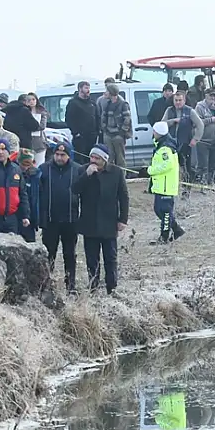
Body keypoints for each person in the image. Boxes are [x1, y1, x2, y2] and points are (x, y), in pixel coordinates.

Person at [71, 145, 128, 295]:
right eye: (92, 157)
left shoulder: (116, 172)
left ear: (104, 160)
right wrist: (86, 176)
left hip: (109, 222)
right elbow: (75, 190)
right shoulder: (83, 170)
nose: (93, 161)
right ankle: (93, 286)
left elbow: (123, 197)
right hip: (89, 222)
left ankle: (112, 287)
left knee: (110, 258)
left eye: (97, 158)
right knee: (92, 258)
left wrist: (123, 219)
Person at [39, 141, 84, 291]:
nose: (59, 157)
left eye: (62, 155)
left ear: (69, 155)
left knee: (69, 254)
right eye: (57, 154)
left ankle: (70, 286)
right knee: (48, 254)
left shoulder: (77, 170)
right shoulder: (44, 169)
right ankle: (46, 285)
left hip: (70, 220)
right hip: (50, 220)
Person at [147, 122, 184, 244]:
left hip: (166, 186)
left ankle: (164, 237)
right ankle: (177, 230)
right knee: (160, 210)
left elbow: (168, 164)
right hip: (161, 185)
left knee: (165, 213)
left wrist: (151, 170)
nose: (153, 133)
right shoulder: (162, 145)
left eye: (154, 131)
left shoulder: (165, 148)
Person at [161, 92, 203, 188]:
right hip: (171, 144)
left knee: (187, 169)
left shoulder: (190, 111)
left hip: (185, 144)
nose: (178, 102)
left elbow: (200, 125)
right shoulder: (169, 110)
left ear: (184, 101)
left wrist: (195, 139)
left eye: (180, 100)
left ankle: (186, 191)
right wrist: (173, 121)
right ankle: (172, 187)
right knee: (171, 167)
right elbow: (162, 124)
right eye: (176, 100)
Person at [194, 89, 215, 184]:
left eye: (214, 96)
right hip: (203, 141)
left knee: (213, 164)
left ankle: (210, 183)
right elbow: (196, 123)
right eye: (211, 95)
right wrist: (210, 120)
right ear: (206, 95)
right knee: (203, 165)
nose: (213, 97)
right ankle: (202, 184)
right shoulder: (199, 107)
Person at [65, 81, 99, 163]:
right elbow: (69, 119)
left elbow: (98, 116)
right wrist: (76, 132)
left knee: (91, 159)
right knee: (80, 160)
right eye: (86, 88)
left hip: (92, 136)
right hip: (80, 138)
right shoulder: (73, 103)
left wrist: (98, 131)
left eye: (89, 88)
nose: (88, 90)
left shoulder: (92, 102)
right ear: (80, 89)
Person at [99, 85, 131, 169]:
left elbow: (127, 119)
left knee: (120, 159)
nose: (105, 93)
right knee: (109, 159)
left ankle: (121, 179)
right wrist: (105, 129)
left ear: (111, 93)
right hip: (108, 134)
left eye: (107, 91)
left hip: (118, 135)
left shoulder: (123, 104)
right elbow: (103, 118)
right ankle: (110, 178)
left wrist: (122, 132)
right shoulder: (107, 104)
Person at [17, 149, 41, 243]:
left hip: (31, 218)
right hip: (17, 217)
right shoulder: (14, 174)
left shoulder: (36, 176)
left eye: (29, 165)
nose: (26, 168)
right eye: (24, 164)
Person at [29, 93, 48, 166]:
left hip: (39, 142)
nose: (31, 101)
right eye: (29, 100)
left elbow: (42, 126)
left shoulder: (42, 112)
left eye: (33, 99)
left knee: (40, 164)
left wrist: (30, 127)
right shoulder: (24, 112)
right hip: (28, 143)